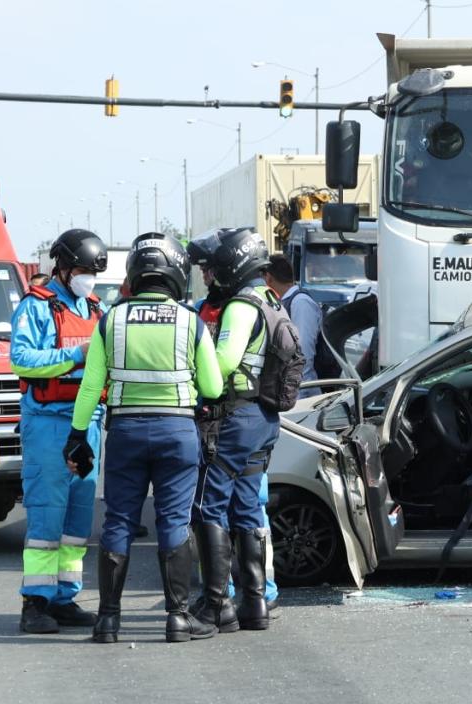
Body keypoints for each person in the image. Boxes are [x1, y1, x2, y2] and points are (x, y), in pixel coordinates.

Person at [65, 232, 224, 644]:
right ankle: (178, 619)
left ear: (135, 275)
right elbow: (212, 384)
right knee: (173, 521)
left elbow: (90, 387)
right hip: (177, 434)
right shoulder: (190, 321)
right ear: (175, 275)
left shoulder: (111, 320)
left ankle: (108, 621)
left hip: (125, 434)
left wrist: (77, 434)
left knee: (118, 520)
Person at [10, 229, 108, 634]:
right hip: (49, 422)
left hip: (90, 423)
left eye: (95, 272)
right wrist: (75, 354)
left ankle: (65, 597)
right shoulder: (35, 307)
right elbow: (22, 360)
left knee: (77, 517)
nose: (90, 278)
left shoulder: (95, 308)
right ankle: (35, 604)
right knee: (47, 516)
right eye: (85, 270)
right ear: (64, 269)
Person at [190, 228, 282, 632]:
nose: (212, 274)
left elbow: (224, 362)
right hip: (264, 417)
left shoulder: (241, 307)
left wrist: (192, 377)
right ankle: (255, 603)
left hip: (236, 416)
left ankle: (216, 605)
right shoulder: (271, 299)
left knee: (211, 505)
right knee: (247, 507)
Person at [263, 253, 322, 398]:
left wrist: (295, 394)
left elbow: (304, 355)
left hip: (303, 394)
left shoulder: (300, 303)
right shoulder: (282, 303)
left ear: (268, 278)